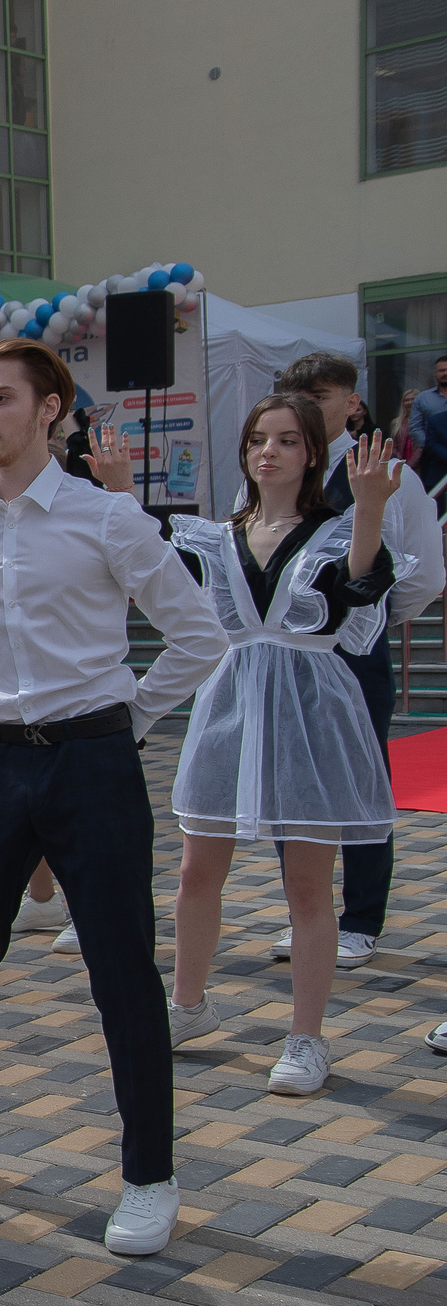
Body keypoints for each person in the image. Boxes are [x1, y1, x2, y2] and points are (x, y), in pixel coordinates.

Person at [0, 339, 228, 1257]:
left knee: (122, 973)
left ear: (51, 409)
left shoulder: (109, 521)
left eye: (0, 399)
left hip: (93, 763)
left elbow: (198, 634)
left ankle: (149, 1175)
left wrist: (125, 718)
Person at [166, 395, 398, 1098]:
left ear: (311, 454)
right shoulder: (214, 535)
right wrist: (118, 488)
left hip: (312, 709)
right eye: (259, 439)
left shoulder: (334, 531)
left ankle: (306, 1037)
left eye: (288, 440)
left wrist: (369, 506)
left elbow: (362, 588)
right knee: (195, 871)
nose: (270, 451)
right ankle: (186, 1006)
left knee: (306, 885)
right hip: (230, 704)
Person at [264, 352, 445, 970]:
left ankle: (361, 920)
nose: (310, 407)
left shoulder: (390, 473)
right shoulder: (271, 468)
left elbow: (424, 570)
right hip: (287, 650)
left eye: (321, 395)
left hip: (354, 650)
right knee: (290, 782)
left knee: (362, 782)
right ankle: (304, 913)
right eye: (298, 395)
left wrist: (370, 622)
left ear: (352, 402)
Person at [407, 352, 447, 488]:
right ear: (435, 373)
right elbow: (414, 427)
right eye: (442, 370)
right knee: (435, 499)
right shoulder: (423, 398)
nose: (445, 373)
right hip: (433, 459)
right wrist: (432, 447)